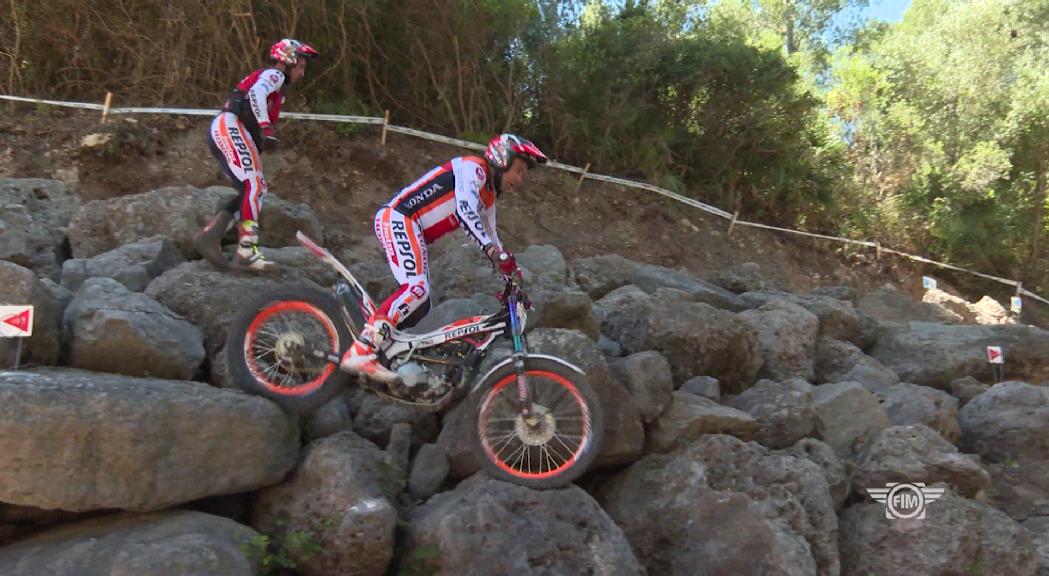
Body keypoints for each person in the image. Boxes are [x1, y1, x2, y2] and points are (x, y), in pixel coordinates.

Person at [341, 133, 548, 383]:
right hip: (399, 218)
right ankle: (364, 348)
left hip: (410, 226)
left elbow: (492, 237)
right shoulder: (474, 169)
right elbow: (465, 211)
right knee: (416, 289)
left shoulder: (489, 195)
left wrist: (511, 272)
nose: (520, 180)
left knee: (422, 304)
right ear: (502, 158)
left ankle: (385, 351)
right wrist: (494, 253)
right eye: (519, 171)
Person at [194, 38, 319, 271]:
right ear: (287, 61)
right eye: (301, 66)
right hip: (231, 125)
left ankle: (211, 236)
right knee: (255, 186)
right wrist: (266, 128)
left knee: (251, 189)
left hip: (226, 127)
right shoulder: (275, 75)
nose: (302, 74)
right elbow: (256, 94)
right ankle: (246, 251)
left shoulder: (276, 86)